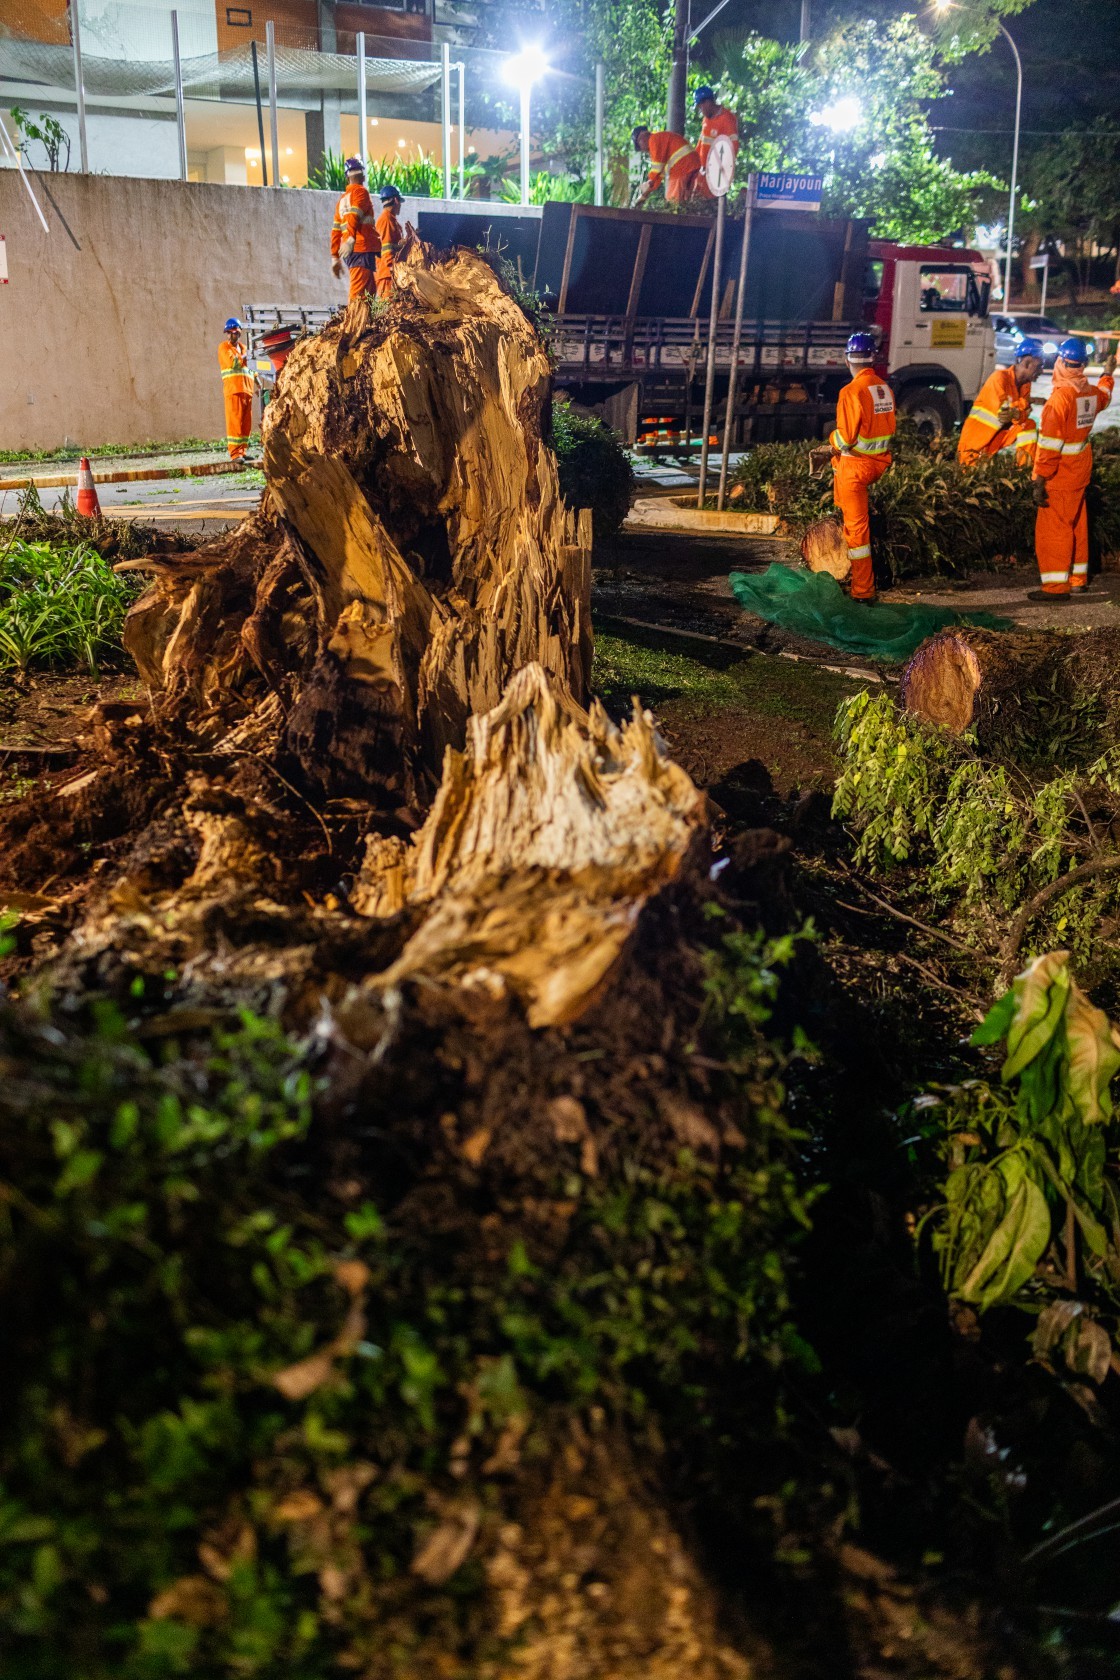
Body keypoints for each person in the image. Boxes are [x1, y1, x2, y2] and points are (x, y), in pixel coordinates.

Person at [1030, 336, 1116, 599]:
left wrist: (1040, 479)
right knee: (1077, 524)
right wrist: (1107, 374)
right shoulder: (1089, 393)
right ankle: (1077, 579)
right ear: (1083, 365)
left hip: (1059, 475)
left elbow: (1049, 447)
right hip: (1080, 470)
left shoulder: (1059, 400)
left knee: (1054, 530)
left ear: (1060, 362)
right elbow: (1106, 395)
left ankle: (1056, 587)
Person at [830, 331, 895, 603]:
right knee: (854, 523)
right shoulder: (883, 387)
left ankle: (863, 591)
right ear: (873, 358)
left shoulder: (850, 391)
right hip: (879, 463)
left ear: (847, 359)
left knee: (857, 532)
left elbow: (845, 439)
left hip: (856, 467)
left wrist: (831, 439)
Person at [957, 337, 1043, 466]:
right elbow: (1005, 413)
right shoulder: (999, 378)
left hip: (994, 439)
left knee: (1028, 424)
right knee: (968, 475)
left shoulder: (1025, 385)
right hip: (974, 443)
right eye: (1039, 366)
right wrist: (1026, 403)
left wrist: (1020, 411)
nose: (1041, 371)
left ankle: (1025, 468)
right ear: (1027, 363)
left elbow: (1020, 416)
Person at [330, 156, 378, 302]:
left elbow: (336, 231)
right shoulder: (360, 192)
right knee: (360, 294)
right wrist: (351, 238)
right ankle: (354, 323)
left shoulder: (342, 200)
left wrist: (334, 257)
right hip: (360, 247)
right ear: (363, 175)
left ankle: (363, 322)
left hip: (353, 250)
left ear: (346, 177)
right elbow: (353, 216)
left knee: (369, 291)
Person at [632, 126, 706, 206]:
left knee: (672, 204)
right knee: (686, 202)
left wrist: (648, 185)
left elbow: (657, 169)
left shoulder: (653, 140)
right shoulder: (659, 139)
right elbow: (659, 175)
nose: (642, 150)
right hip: (693, 165)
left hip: (682, 167)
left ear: (641, 138)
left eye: (639, 146)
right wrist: (646, 193)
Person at [217, 317, 253, 461]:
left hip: (247, 390)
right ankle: (235, 454)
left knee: (245, 425)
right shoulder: (224, 348)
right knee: (235, 423)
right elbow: (233, 363)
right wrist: (246, 355)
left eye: (235, 333)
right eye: (230, 333)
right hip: (234, 390)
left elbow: (251, 367)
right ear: (227, 333)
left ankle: (242, 451)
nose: (233, 335)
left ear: (239, 333)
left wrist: (256, 380)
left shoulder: (244, 348)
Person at [693, 85, 738, 171]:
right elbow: (701, 143)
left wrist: (720, 169)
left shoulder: (727, 118)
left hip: (716, 174)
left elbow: (733, 146)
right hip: (702, 171)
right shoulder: (706, 119)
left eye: (700, 106)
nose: (701, 110)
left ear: (708, 102)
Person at [375, 184, 404, 300]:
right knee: (389, 313)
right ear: (396, 200)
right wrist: (393, 271)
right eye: (400, 202)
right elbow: (387, 250)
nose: (400, 205)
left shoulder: (391, 220)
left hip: (390, 275)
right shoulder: (386, 221)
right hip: (388, 276)